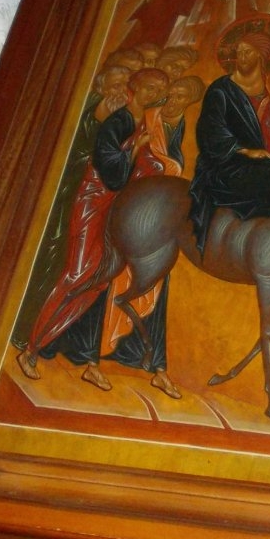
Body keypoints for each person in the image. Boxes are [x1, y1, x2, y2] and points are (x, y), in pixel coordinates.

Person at [17, 68, 169, 390]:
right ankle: (31, 349)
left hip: (112, 207)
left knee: (98, 282)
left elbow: (140, 168)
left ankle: (65, 353)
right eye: (149, 87)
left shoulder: (142, 124)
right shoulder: (118, 122)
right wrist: (135, 150)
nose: (154, 93)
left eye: (159, 90)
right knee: (76, 275)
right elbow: (111, 171)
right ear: (134, 87)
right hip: (93, 201)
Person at [101, 75, 207, 397]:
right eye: (170, 94)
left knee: (157, 289)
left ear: (189, 102)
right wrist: (166, 168)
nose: (173, 101)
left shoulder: (181, 127)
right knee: (121, 278)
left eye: (181, 97)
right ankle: (107, 350)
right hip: (135, 213)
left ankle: (155, 366)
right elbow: (129, 161)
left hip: (160, 219)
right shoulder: (148, 120)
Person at [188, 26, 270, 252]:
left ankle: (266, 222)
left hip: (253, 166)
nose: (241, 57)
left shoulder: (261, 92)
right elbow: (210, 131)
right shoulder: (221, 90)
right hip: (225, 167)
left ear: (261, 55)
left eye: (247, 52)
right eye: (239, 52)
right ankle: (256, 221)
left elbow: (269, 132)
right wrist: (244, 150)